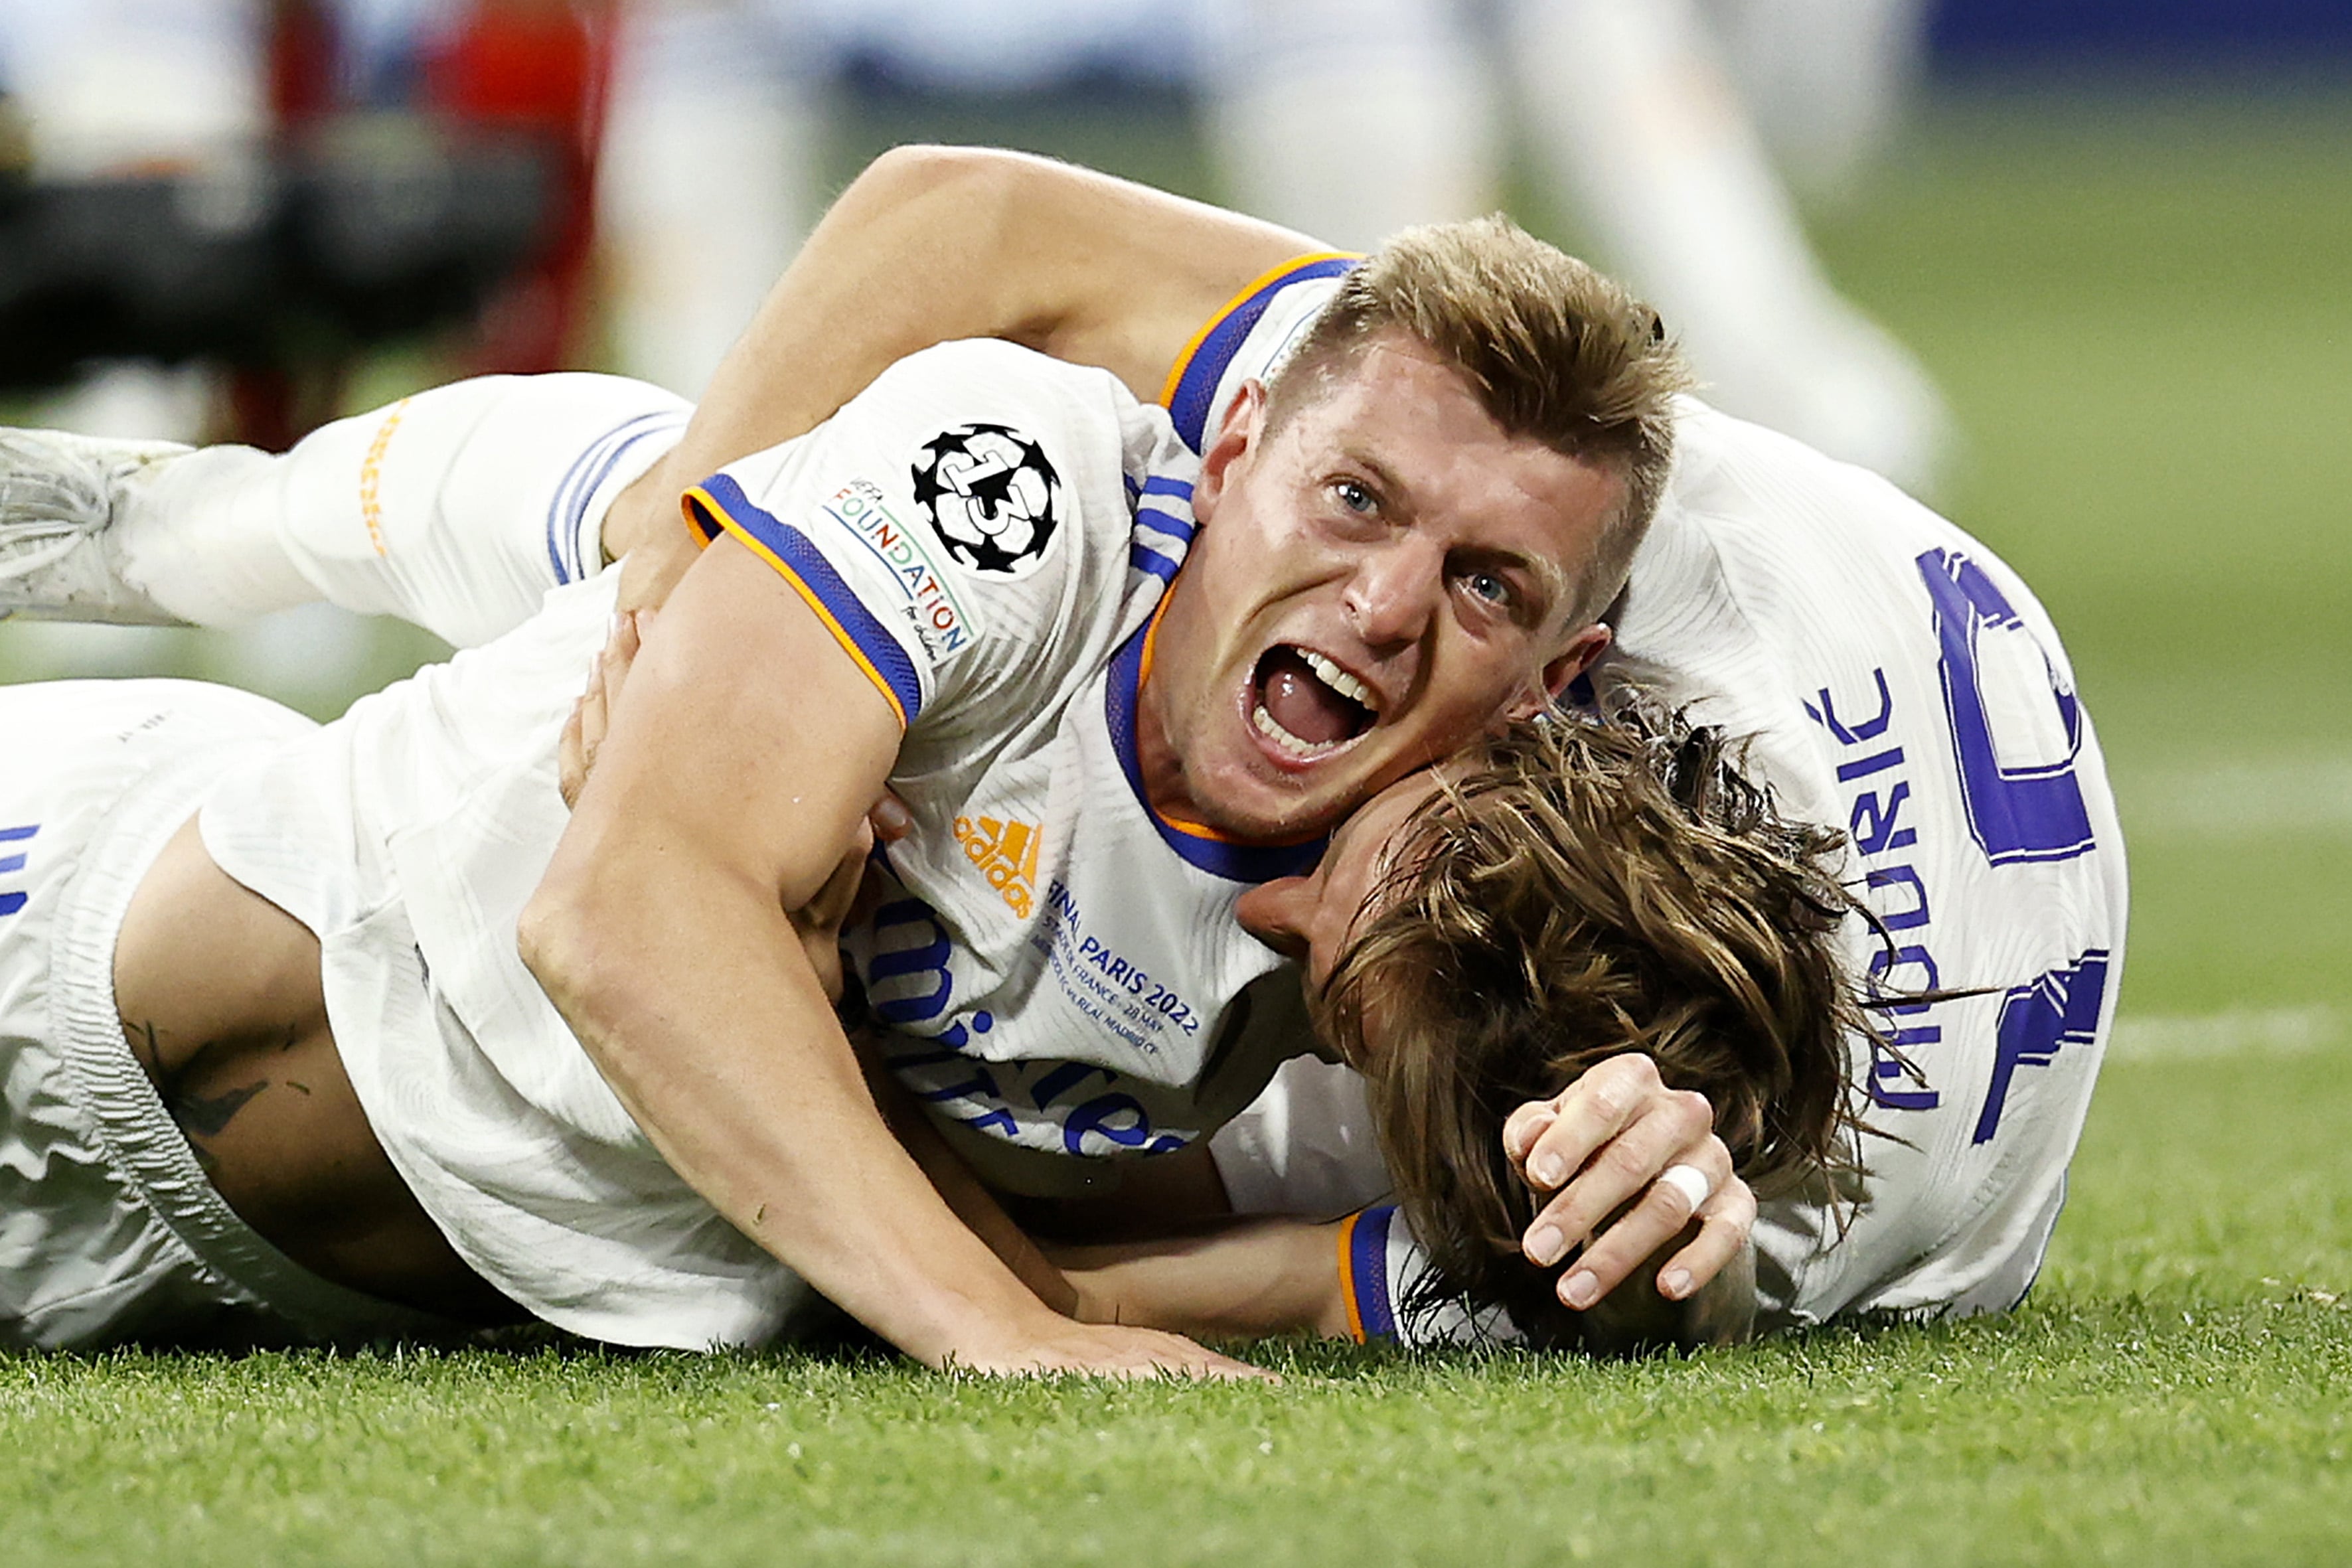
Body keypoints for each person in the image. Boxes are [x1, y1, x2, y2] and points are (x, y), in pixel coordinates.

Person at [1, 211, 1766, 1364]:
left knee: (619, 534)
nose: (1386, 607)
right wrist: (990, 1338)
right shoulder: (1028, 488)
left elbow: (1404, 1271)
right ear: (1229, 452)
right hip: (68, 930)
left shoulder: (1401, 933)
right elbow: (624, 913)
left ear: (1553, 679)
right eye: (1355, 500)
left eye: (1487, 585)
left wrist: (1680, 1232)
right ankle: (160, 523)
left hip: (201, 1290)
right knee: (613, 519)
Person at [575, 146, 2126, 1338]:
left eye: (1319, 992)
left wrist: (935, 1203)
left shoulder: (1666, 1196)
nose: (1386, 598)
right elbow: (964, 219)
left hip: (1925, 1026)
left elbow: (1135, 1283)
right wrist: (671, 558)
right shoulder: (1523, 468)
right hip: (1907, 745)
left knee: (1117, 1061)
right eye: (1362, 506)